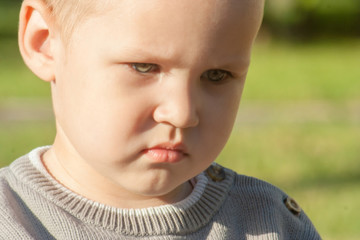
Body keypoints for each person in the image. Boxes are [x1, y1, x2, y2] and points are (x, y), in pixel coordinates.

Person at [0, 0, 321, 239]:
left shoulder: (269, 224)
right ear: (43, 42)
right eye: (144, 67)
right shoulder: (12, 222)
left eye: (216, 75)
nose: (182, 113)